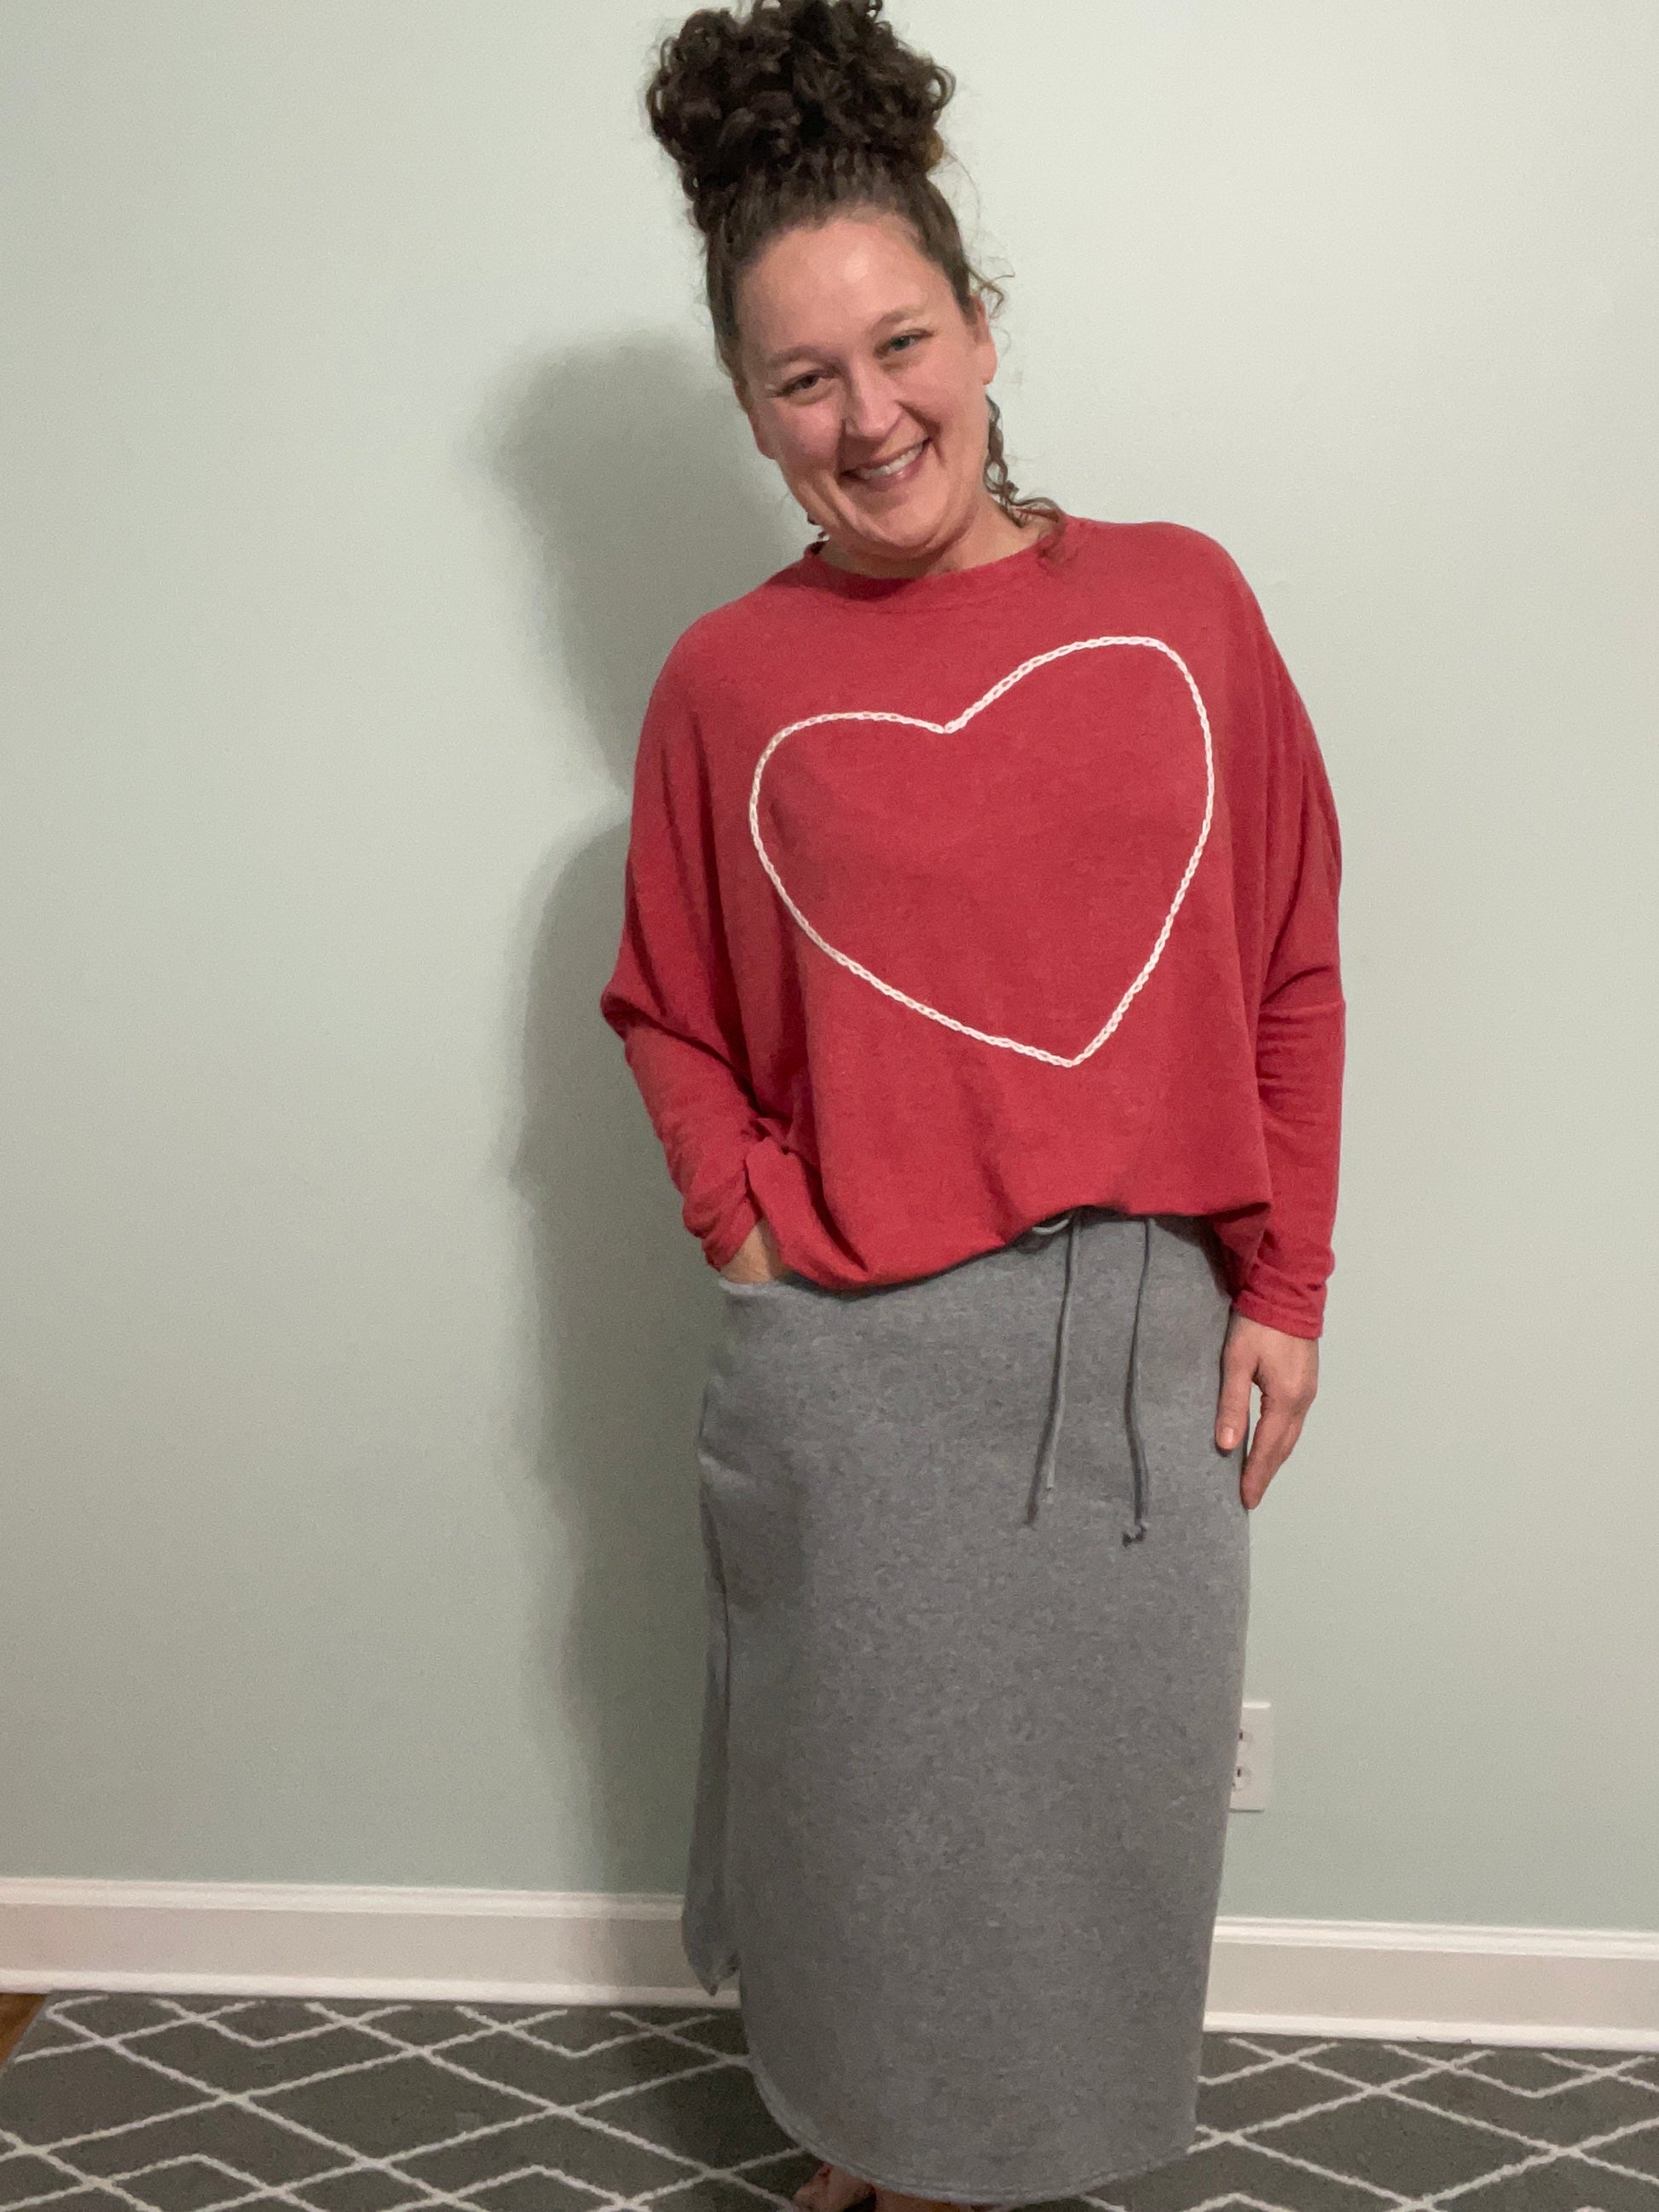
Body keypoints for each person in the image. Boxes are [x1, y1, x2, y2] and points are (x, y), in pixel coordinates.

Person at [598, 3, 1344, 2207]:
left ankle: (988, 2156)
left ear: (983, 323)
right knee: (859, 1824)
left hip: (1138, 1344)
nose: (869, 414)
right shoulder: (728, 681)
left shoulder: (1185, 604)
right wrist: (745, 1227)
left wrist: (1285, 1280)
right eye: (802, 379)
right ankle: (873, 2140)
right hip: (855, 1361)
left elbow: (1290, 956)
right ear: (753, 410)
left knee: (1096, 1822)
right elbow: (662, 1006)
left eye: (901, 343)